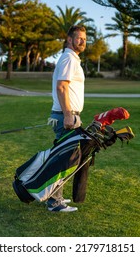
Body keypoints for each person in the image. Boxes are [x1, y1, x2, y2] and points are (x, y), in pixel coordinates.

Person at [47, 25, 87, 212]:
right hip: (67, 116)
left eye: (84, 39)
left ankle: (56, 196)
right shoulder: (69, 58)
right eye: (78, 38)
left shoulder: (71, 59)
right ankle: (54, 202)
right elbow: (62, 87)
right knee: (65, 159)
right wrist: (68, 114)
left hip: (68, 114)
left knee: (66, 157)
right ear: (69, 39)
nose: (82, 41)